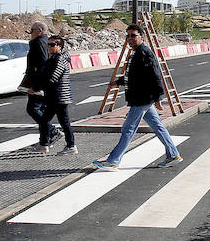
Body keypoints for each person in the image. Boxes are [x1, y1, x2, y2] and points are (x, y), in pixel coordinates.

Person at [92, 24, 182, 170]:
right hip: (142, 98)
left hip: (143, 99)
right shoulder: (137, 52)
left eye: (133, 35)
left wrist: (158, 98)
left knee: (128, 129)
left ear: (142, 36)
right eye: (128, 36)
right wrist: (118, 82)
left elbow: (156, 76)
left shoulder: (145, 53)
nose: (130, 39)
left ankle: (113, 161)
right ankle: (173, 155)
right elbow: (135, 77)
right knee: (158, 126)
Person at [21, 20, 60, 145]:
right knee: (42, 111)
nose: (30, 34)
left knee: (33, 109)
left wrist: (38, 84)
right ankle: (45, 140)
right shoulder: (45, 42)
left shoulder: (38, 43)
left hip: (39, 82)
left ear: (40, 31)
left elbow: (44, 63)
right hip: (44, 82)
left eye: (32, 31)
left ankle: (52, 131)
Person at [41, 35, 77, 156]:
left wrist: (38, 87)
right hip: (56, 96)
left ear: (59, 46)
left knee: (57, 121)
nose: (49, 47)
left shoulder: (59, 59)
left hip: (58, 96)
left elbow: (54, 77)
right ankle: (45, 144)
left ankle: (69, 145)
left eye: (52, 45)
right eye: (48, 44)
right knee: (49, 121)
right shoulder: (54, 58)